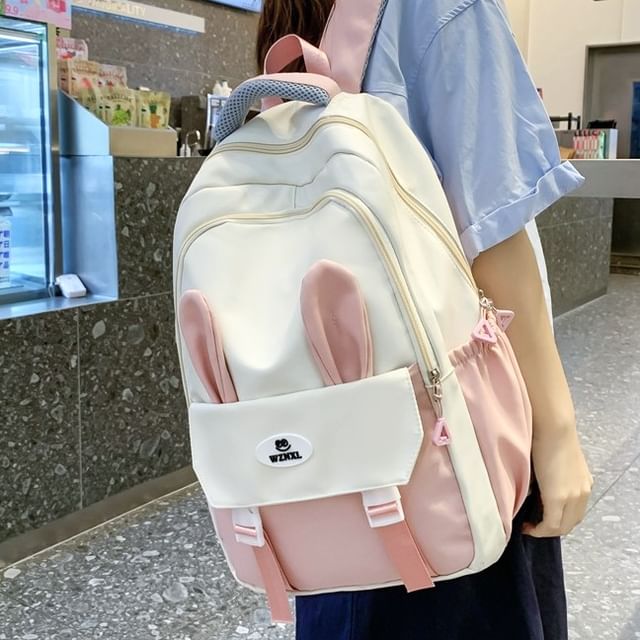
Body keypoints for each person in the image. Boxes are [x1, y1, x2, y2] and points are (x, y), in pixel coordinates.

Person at [256, 1, 594, 638]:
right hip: (450, 440)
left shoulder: (297, 15)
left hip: (325, 444)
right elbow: (491, 232)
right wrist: (556, 433)